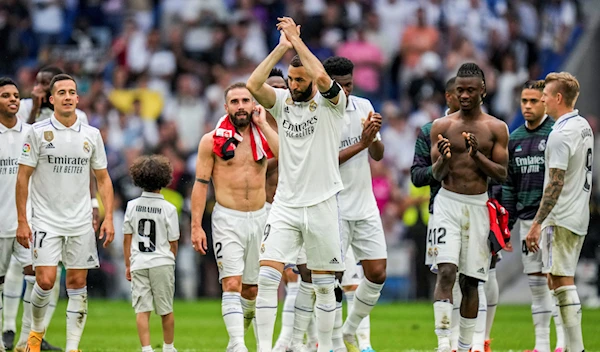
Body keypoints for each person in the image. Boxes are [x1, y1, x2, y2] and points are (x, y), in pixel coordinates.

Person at [246, 16, 347, 352]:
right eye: (289, 80)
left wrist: (298, 42)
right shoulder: (282, 105)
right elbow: (253, 83)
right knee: (267, 275)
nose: (292, 85)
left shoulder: (334, 106)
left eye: (298, 80)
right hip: (286, 205)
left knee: (322, 284)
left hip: (322, 203)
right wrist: (282, 47)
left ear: (313, 84)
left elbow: (321, 75)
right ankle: (263, 348)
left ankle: (325, 347)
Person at [16, 74, 115, 352]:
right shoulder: (36, 132)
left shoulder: (91, 135)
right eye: (62, 92)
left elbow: (103, 178)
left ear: (78, 99)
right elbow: (22, 178)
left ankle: (73, 347)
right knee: (45, 281)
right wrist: (23, 220)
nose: (68, 96)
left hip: (81, 221)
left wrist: (107, 216)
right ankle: (35, 335)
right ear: (52, 99)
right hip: (46, 219)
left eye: (72, 92)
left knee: (76, 283)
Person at [429, 63, 509, 352]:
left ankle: (464, 346)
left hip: (477, 205)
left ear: (483, 91)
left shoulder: (496, 128)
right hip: (447, 203)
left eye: (470, 90)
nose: (463, 95)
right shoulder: (442, 126)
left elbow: (501, 173)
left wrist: (477, 156)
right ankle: (442, 343)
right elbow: (435, 175)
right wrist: (443, 161)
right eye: (460, 90)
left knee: (471, 281)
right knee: (446, 271)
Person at [190, 83, 276, 352]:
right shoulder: (212, 140)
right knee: (231, 282)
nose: (241, 106)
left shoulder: (264, 134)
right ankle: (239, 344)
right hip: (228, 218)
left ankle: (235, 340)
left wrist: (265, 124)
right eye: (235, 101)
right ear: (226, 107)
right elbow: (201, 183)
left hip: (261, 216)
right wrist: (196, 226)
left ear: (254, 105)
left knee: (252, 290)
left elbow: (289, 154)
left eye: (245, 101)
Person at [321, 56, 386, 352]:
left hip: (364, 204)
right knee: (330, 279)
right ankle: (330, 343)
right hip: (333, 206)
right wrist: (361, 142)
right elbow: (324, 162)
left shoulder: (364, 106)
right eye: (340, 85)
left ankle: (350, 331)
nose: (346, 91)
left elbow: (378, 155)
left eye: (349, 84)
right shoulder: (319, 112)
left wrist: (372, 138)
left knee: (377, 273)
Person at [525, 72, 592, 352]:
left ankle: (576, 348)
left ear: (558, 98)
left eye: (545, 95)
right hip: (578, 212)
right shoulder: (583, 125)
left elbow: (556, 182)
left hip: (561, 216)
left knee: (562, 281)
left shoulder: (559, 135)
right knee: (555, 278)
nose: (542, 99)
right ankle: (570, 346)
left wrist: (537, 223)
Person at [502, 80, 566, 352]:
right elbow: (509, 185)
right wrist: (507, 224)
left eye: (533, 101)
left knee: (558, 284)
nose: (527, 106)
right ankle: (541, 345)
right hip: (527, 223)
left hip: (553, 221)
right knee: (537, 285)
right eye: (524, 101)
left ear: (545, 102)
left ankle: (563, 344)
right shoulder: (514, 139)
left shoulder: (556, 134)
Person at [123, 155, 180, 352]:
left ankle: (146, 349)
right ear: (164, 179)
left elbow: (127, 238)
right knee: (166, 309)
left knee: (142, 309)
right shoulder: (169, 208)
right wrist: (171, 258)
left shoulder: (131, 206)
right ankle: (168, 347)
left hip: (139, 261)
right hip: (162, 262)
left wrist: (128, 264)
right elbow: (174, 241)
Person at [0, 78, 36, 352]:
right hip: (0, 222)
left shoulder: (30, 134)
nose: (13, 99)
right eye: (5, 96)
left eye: (15, 95)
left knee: (37, 277)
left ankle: (26, 340)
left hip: (28, 222)